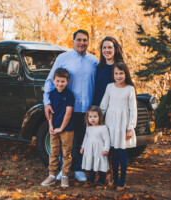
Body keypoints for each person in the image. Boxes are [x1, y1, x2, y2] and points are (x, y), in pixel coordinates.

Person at [43, 29, 99, 182]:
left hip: (86, 108)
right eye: (79, 40)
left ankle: (79, 168)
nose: (82, 43)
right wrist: (47, 102)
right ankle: (64, 169)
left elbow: (98, 83)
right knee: (65, 140)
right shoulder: (63, 58)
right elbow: (50, 80)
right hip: (66, 108)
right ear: (73, 41)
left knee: (82, 139)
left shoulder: (94, 60)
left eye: (85, 40)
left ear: (88, 42)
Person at [100, 62, 137, 191]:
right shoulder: (110, 87)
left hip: (123, 125)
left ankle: (122, 180)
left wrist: (130, 127)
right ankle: (115, 179)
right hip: (111, 124)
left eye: (121, 73)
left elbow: (133, 110)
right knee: (113, 154)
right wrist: (99, 120)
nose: (119, 76)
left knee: (122, 153)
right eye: (116, 73)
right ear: (113, 75)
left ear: (125, 74)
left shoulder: (130, 89)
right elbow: (103, 105)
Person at [41, 68, 75, 188]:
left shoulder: (69, 95)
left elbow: (68, 113)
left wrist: (61, 128)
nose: (60, 84)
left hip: (66, 129)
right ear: (53, 80)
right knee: (53, 152)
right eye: (58, 81)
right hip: (53, 128)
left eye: (63, 81)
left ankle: (65, 176)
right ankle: (52, 176)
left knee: (66, 153)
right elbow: (50, 112)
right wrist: (50, 126)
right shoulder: (51, 94)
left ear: (67, 81)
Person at [80, 105, 110, 189]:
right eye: (90, 117)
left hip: (99, 150)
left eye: (95, 117)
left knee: (100, 166)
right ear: (87, 118)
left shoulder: (103, 128)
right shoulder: (89, 128)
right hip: (90, 150)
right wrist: (83, 147)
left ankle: (102, 182)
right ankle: (91, 181)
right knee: (91, 165)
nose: (92, 119)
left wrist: (106, 149)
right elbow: (86, 138)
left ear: (100, 117)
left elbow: (107, 139)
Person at [92, 36, 124, 106]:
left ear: (115, 49)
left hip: (114, 108)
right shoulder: (98, 68)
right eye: (104, 48)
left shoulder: (121, 67)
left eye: (110, 47)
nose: (107, 50)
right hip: (99, 109)